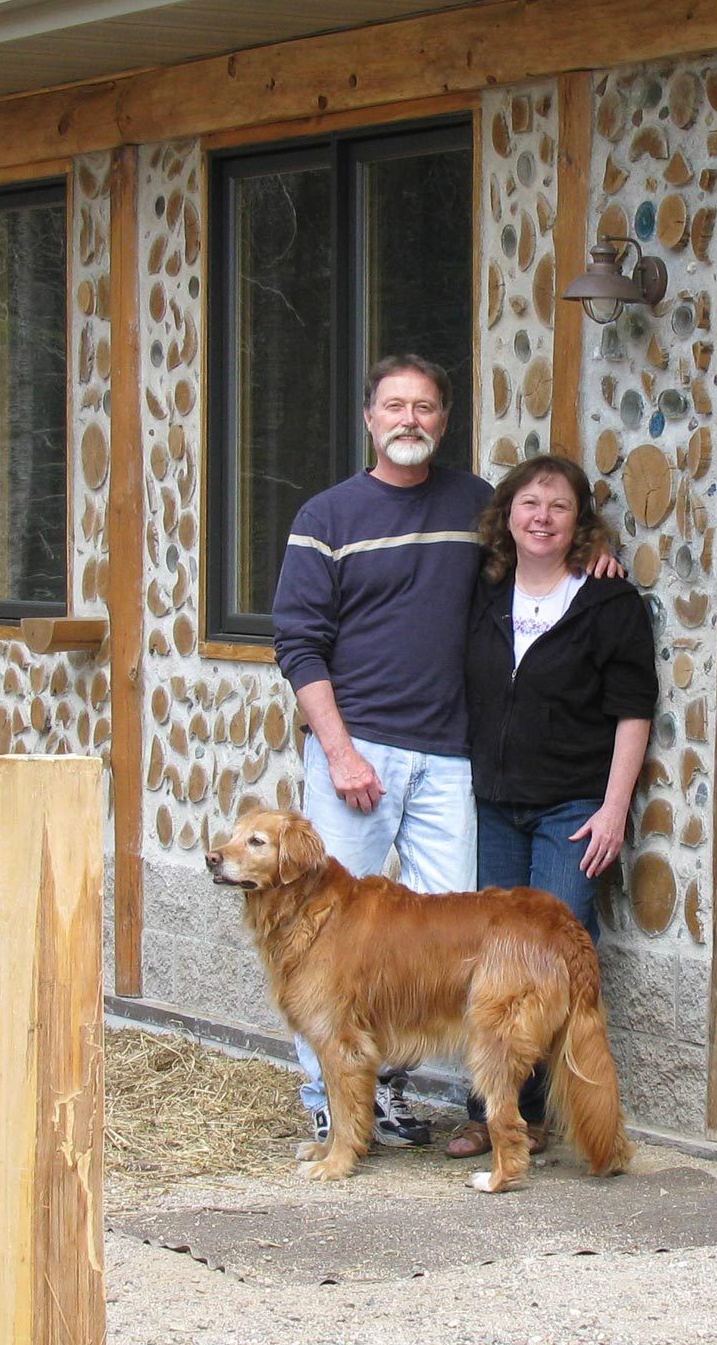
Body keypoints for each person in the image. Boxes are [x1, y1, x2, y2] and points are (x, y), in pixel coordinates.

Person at [272, 354, 486, 1150]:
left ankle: (384, 1090)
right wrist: (340, 752)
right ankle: (327, 1094)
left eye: (424, 407)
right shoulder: (326, 517)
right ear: (369, 419)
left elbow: (536, 555)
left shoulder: (475, 505)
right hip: (355, 753)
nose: (409, 420)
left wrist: (593, 553)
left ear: (444, 418)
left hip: (449, 756)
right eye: (394, 406)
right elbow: (298, 644)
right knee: (325, 933)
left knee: (436, 937)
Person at [443, 453, 655, 1160]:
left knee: (551, 961)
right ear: (508, 515)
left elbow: (633, 711)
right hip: (494, 807)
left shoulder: (609, 604)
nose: (542, 517)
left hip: (572, 809)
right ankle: (497, 1114)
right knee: (492, 963)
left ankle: (555, 1113)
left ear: (579, 523)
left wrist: (614, 808)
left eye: (558, 507)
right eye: (529, 504)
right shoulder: (481, 590)